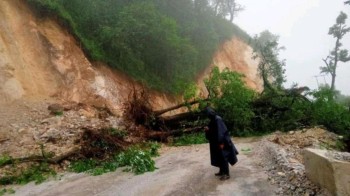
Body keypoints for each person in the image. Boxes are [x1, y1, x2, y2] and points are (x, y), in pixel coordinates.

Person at [204, 107, 239, 181]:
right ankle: (221, 171)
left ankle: (226, 174)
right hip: (216, 142)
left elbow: (221, 132)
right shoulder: (213, 120)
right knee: (219, 156)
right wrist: (207, 130)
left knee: (224, 157)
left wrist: (221, 142)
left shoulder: (218, 119)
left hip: (222, 142)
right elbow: (212, 130)